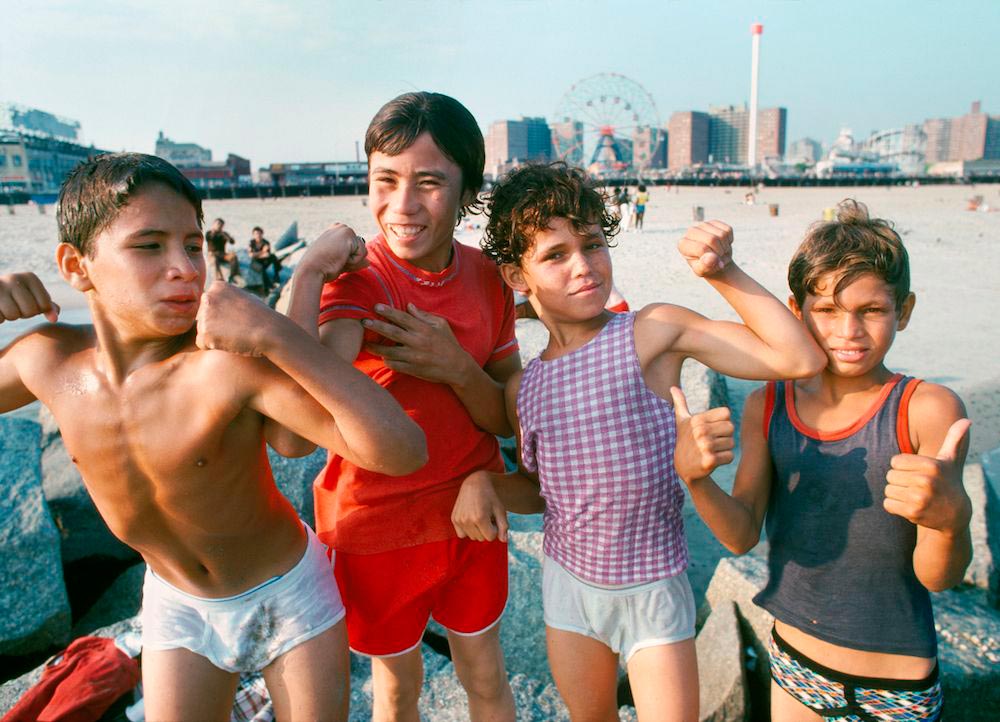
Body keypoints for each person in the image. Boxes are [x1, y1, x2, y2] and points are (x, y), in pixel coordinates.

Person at [0, 153, 427, 722]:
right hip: (178, 605)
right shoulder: (47, 360)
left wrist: (273, 332)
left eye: (192, 244)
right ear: (77, 267)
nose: (184, 267)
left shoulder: (225, 367)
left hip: (287, 596)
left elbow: (401, 451)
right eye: (149, 246)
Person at [451, 162, 825, 721]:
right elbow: (540, 492)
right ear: (516, 276)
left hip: (654, 585)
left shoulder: (651, 333)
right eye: (555, 255)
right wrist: (485, 484)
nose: (583, 267)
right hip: (569, 589)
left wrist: (723, 273)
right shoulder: (523, 389)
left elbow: (798, 358)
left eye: (593, 245)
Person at [671, 200, 971, 721]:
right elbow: (742, 534)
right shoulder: (769, 404)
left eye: (871, 310)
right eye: (827, 310)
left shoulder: (927, 410)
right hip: (795, 666)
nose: (848, 331)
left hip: (895, 682)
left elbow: (938, 577)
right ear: (796, 310)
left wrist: (950, 520)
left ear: (905, 309)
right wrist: (696, 480)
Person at [285, 92, 520, 721]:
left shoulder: (490, 279)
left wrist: (457, 369)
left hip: (474, 513)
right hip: (374, 527)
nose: (403, 206)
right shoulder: (360, 279)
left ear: (468, 189)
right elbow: (307, 399)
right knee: (396, 688)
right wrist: (309, 276)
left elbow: (508, 415)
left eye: (429, 183)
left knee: (488, 676)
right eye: (384, 181)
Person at [205, 217, 242, 283]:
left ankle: (232, 276)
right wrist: (214, 232)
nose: (219, 226)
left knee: (233, 256)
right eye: (218, 224)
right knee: (214, 259)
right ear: (213, 224)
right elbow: (209, 238)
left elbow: (232, 242)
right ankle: (219, 278)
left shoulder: (224, 234)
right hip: (212, 254)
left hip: (222, 254)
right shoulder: (209, 233)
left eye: (221, 225)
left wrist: (228, 236)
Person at [249, 226, 282, 291]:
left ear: (262, 234)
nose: (258, 235)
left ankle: (276, 275)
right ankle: (267, 287)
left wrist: (257, 254)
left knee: (273, 256)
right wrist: (262, 252)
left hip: (264, 262)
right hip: (255, 263)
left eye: (259, 233)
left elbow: (267, 255)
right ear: (253, 235)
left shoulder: (266, 242)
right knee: (261, 268)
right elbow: (251, 255)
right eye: (256, 234)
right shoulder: (251, 243)